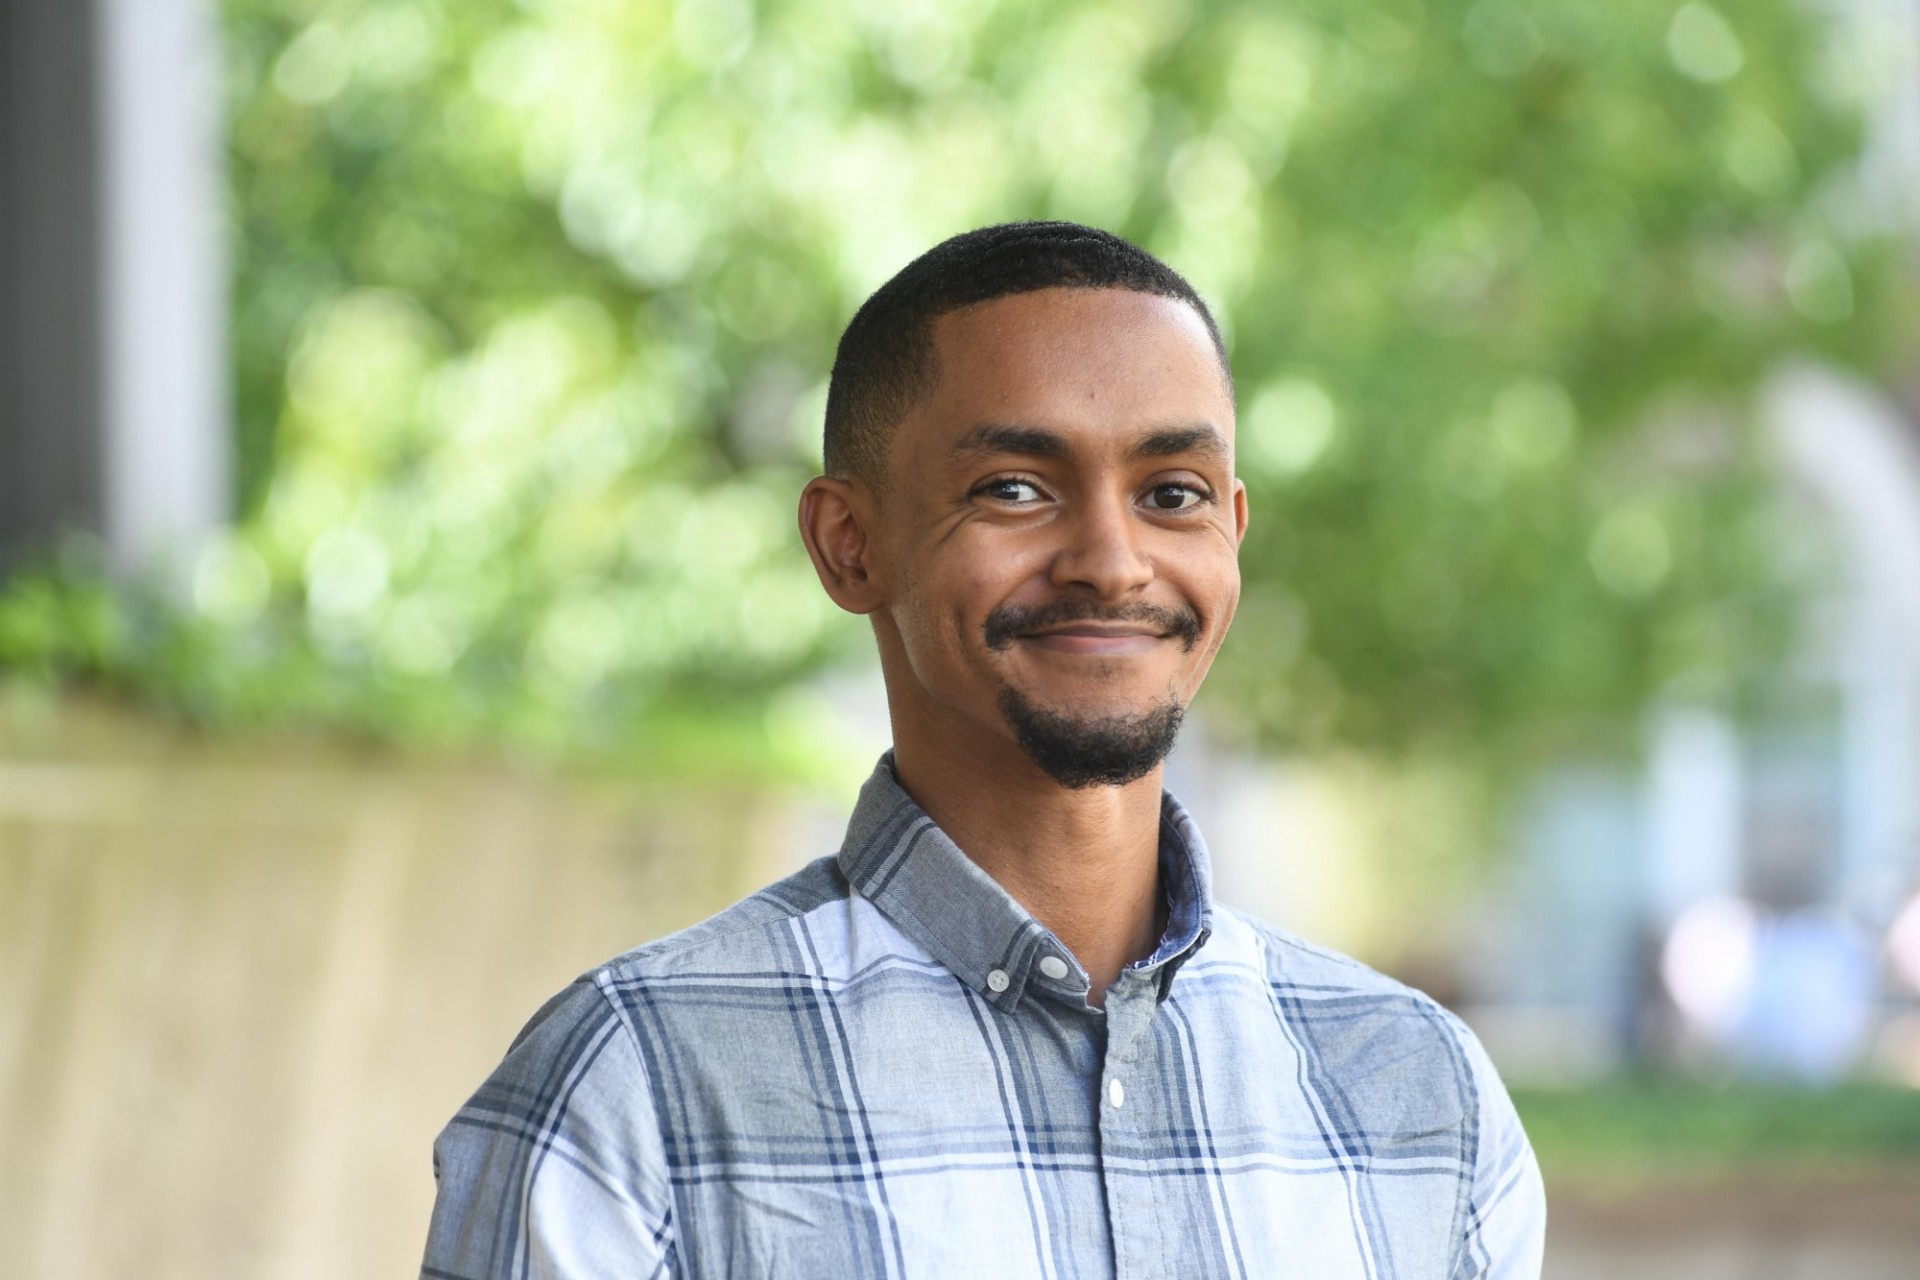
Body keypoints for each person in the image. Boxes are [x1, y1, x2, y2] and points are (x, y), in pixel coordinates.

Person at [420, 221, 1546, 1278]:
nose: (1113, 560)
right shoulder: (633, 1090)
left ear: (1231, 535)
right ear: (849, 544)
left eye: (1173, 493)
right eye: (1015, 487)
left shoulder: (1421, 1101)